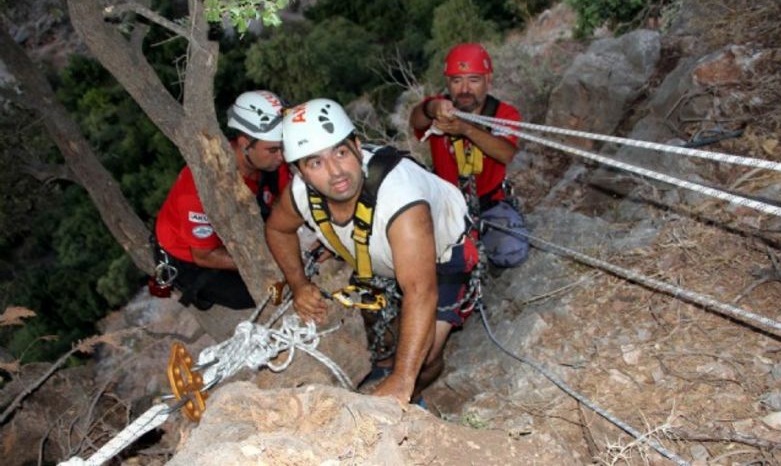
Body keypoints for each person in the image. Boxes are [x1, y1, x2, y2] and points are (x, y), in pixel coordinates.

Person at [265, 98, 479, 405]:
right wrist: (299, 284)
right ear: (300, 172)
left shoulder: (402, 201)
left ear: (356, 145)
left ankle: (413, 393)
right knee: (383, 329)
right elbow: (277, 229)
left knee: (427, 356)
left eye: (340, 152)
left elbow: (420, 291)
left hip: (444, 252)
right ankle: (384, 368)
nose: (336, 171)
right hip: (380, 254)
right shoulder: (300, 194)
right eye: (315, 162)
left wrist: (402, 379)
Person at [154, 90, 289, 316]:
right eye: (274, 149)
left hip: (237, 226)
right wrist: (270, 260)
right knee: (257, 291)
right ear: (245, 143)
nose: (282, 156)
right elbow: (204, 255)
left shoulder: (269, 160)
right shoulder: (199, 191)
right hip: (190, 254)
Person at [410, 42, 529, 269]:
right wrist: (431, 108)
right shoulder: (439, 110)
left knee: (512, 252)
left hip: (490, 203)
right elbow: (417, 119)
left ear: (488, 80)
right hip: (446, 206)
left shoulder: (503, 114)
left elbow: (506, 153)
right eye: (456, 81)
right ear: (448, 83)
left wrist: (466, 129)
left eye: (473, 80)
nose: (464, 89)